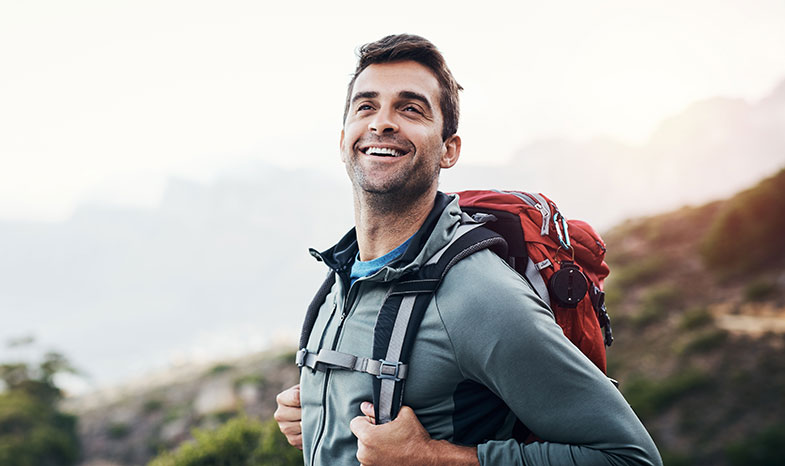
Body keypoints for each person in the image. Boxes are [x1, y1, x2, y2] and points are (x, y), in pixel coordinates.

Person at [275, 34, 662, 466]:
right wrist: (323, 414)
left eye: (410, 109)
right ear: (343, 139)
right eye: (366, 106)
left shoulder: (480, 296)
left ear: (449, 150)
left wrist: (431, 458)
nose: (381, 123)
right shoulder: (343, 274)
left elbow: (630, 458)